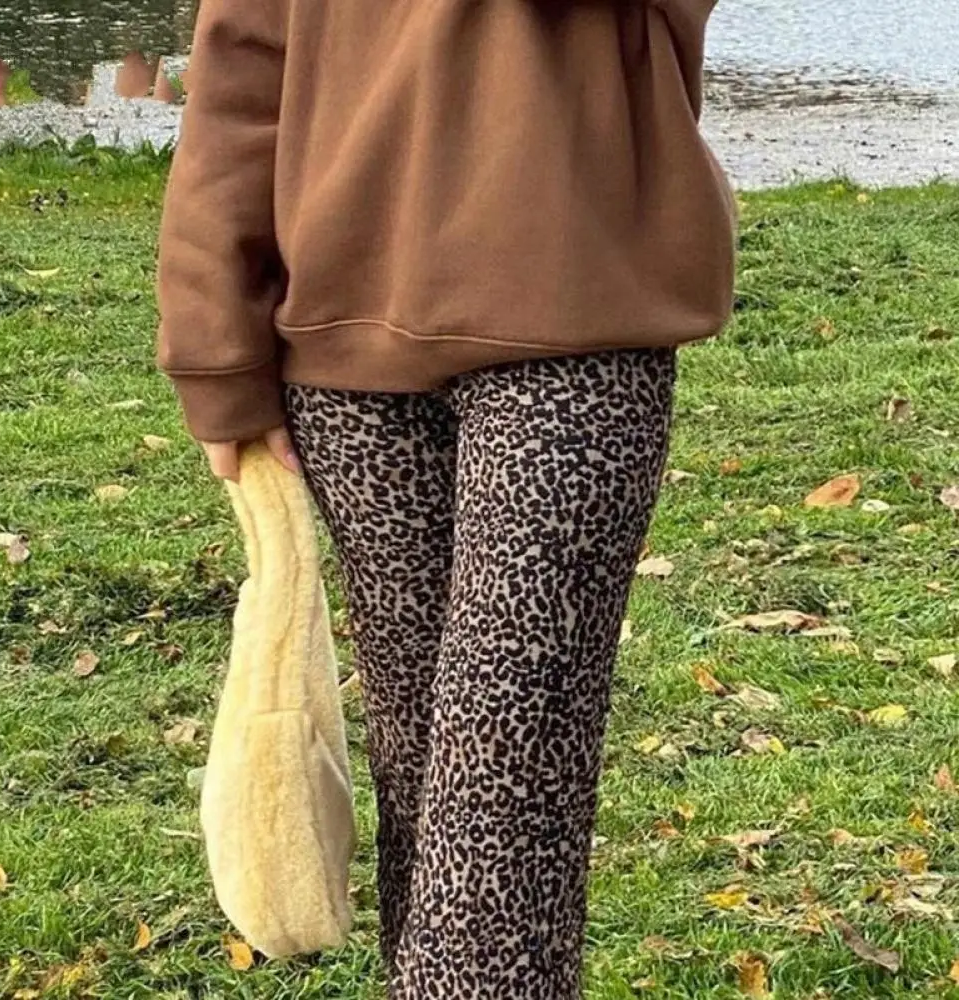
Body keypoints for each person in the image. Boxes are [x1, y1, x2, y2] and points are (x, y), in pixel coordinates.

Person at [156, 0, 735, 995]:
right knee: (426, 783)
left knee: (502, 793)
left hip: (572, 326)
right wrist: (215, 343)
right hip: (345, 349)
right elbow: (243, 68)